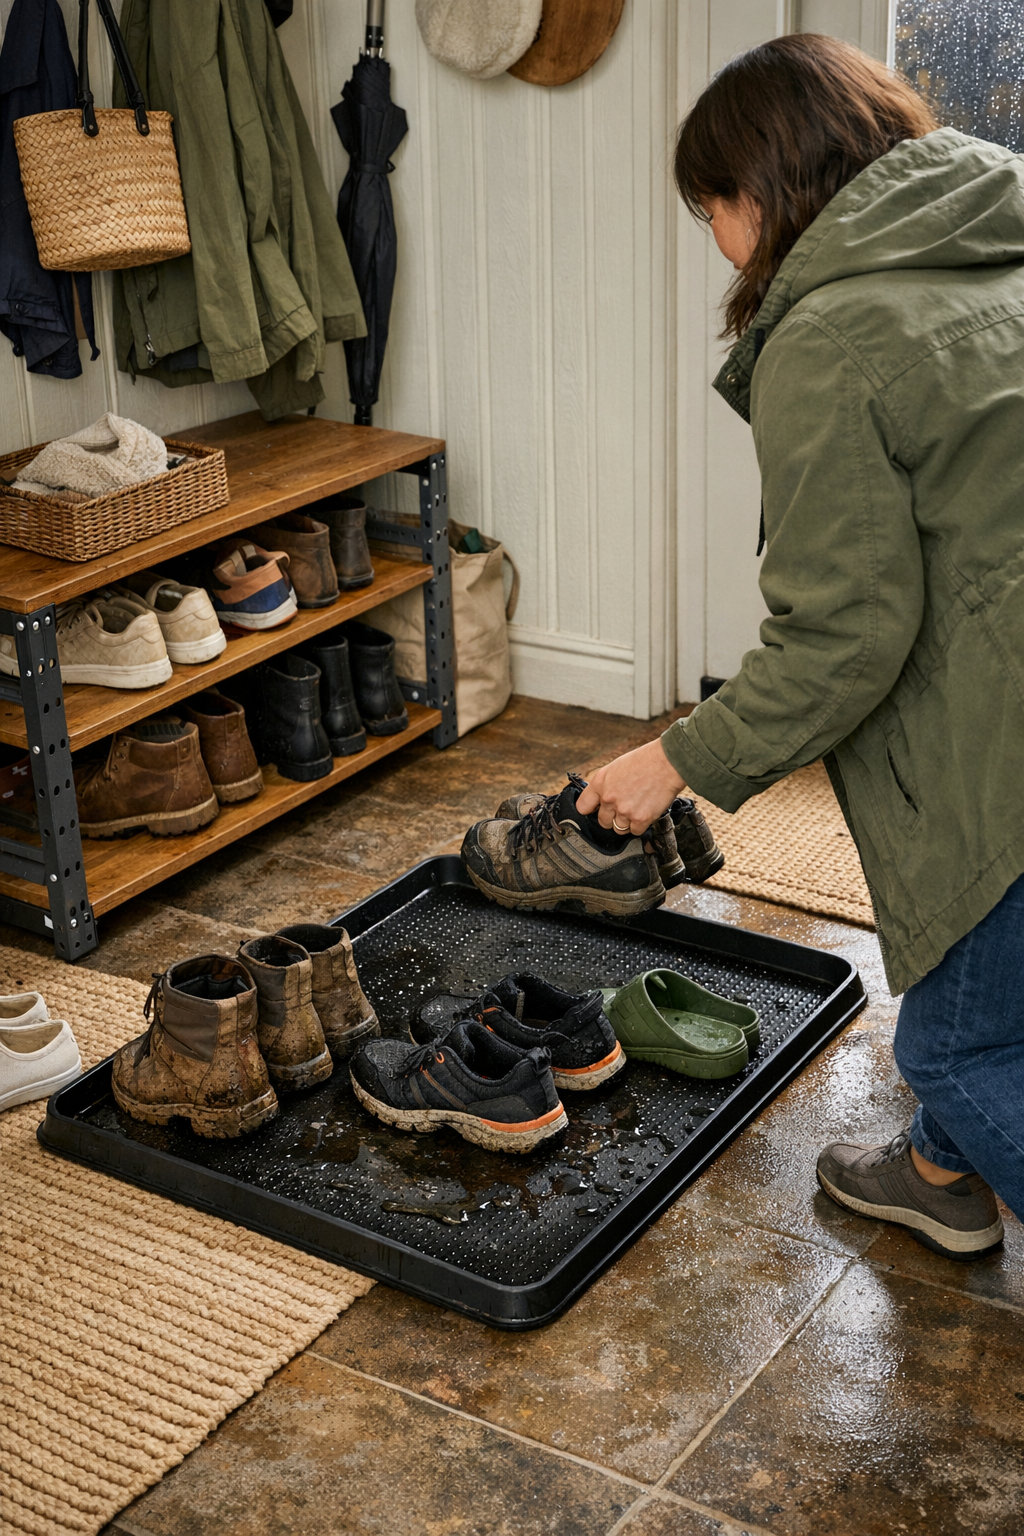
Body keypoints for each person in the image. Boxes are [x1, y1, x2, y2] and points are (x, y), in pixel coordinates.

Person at [576, 34, 1024, 1261]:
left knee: (960, 1043)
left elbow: (843, 637)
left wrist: (672, 760)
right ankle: (940, 1171)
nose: (713, 236)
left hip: (1007, 737)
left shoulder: (829, 337)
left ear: (759, 193)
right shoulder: (996, 243)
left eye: (707, 206)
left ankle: (956, 1122)